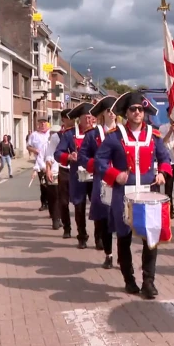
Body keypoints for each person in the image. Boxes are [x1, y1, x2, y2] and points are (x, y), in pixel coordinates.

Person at [95, 91, 171, 299]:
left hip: (148, 194)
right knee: (124, 238)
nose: (138, 112)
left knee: (151, 239)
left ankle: (148, 282)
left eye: (141, 109)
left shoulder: (154, 136)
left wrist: (163, 173)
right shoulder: (114, 136)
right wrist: (115, 174)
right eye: (133, 109)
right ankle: (129, 279)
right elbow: (100, 162)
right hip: (123, 195)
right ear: (126, 113)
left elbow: (165, 158)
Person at [79, 96, 118, 268]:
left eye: (113, 110)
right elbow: (82, 156)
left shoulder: (123, 133)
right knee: (104, 220)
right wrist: (95, 165)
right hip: (101, 181)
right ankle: (109, 254)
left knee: (123, 220)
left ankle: (124, 255)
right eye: (108, 110)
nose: (111, 113)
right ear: (102, 114)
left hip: (120, 181)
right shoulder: (93, 134)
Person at [55, 103, 94, 249]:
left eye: (92, 117)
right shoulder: (70, 134)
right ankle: (82, 236)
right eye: (87, 118)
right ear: (80, 119)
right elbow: (58, 153)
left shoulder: (97, 133)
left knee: (97, 207)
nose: (90, 121)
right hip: (77, 176)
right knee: (79, 207)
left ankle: (99, 238)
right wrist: (69, 157)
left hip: (94, 175)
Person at [54, 110, 72, 239]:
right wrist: (50, 169)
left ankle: (83, 233)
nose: (71, 120)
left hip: (79, 171)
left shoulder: (83, 133)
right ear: (63, 120)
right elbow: (51, 154)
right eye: (68, 118)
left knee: (80, 203)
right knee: (64, 202)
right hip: (64, 170)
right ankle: (67, 228)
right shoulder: (58, 136)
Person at [27, 119, 51, 212]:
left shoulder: (50, 133)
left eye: (44, 122)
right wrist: (34, 150)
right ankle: (44, 203)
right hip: (40, 162)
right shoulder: (34, 135)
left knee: (52, 184)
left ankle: (51, 202)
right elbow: (28, 146)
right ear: (38, 124)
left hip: (51, 162)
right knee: (43, 183)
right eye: (41, 122)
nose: (43, 124)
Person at [44, 123, 63, 230]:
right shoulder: (47, 144)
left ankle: (58, 217)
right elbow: (46, 157)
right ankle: (55, 219)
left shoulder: (63, 141)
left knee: (61, 197)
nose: (54, 135)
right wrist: (47, 169)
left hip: (62, 171)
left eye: (56, 133)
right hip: (53, 172)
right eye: (52, 133)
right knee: (54, 197)